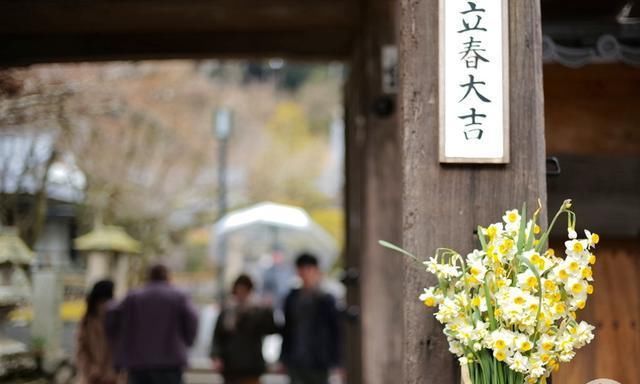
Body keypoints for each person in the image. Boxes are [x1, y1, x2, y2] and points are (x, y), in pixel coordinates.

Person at [106, 264, 198, 384]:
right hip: (170, 362)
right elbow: (193, 318)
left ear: (149, 276)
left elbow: (112, 313)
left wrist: (116, 339)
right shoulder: (179, 296)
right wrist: (187, 340)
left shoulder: (134, 296)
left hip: (138, 362)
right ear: (167, 276)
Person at [280, 253, 341, 384]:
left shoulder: (326, 299)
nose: (305, 273)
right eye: (302, 269)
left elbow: (335, 331)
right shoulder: (292, 298)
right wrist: (284, 356)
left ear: (316, 271)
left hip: (319, 359)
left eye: (308, 269)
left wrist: (337, 361)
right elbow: (287, 329)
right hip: (296, 358)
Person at [211, 274, 276, 384]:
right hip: (230, 367)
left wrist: (268, 311)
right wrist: (216, 356)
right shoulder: (228, 311)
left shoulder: (258, 311)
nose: (241, 294)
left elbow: (270, 329)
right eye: (238, 290)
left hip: (251, 367)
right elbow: (217, 337)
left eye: (245, 290)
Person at [76, 279, 123, 384]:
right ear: (95, 302)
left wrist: (115, 372)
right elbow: (81, 349)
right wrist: (90, 368)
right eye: (101, 302)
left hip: (114, 377)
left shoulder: (118, 320)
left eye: (107, 301)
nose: (104, 306)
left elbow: (123, 349)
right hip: (93, 377)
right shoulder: (87, 322)